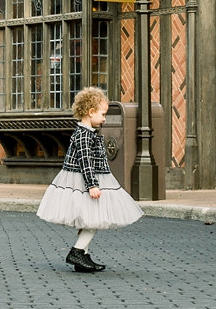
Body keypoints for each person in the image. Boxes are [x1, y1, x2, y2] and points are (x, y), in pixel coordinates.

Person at [37, 86, 142, 272]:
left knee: (92, 219)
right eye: (102, 114)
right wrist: (92, 184)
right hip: (84, 180)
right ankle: (77, 251)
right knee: (94, 219)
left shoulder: (88, 132)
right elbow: (85, 160)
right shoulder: (84, 135)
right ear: (90, 112)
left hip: (89, 178)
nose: (104, 119)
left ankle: (82, 255)